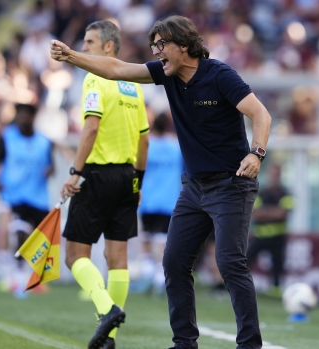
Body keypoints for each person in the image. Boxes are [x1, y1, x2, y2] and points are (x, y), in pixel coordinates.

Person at [51, 15, 272, 349]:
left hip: (232, 184)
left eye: (162, 45)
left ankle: (249, 345)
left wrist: (256, 153)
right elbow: (115, 69)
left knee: (229, 262)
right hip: (194, 188)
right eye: (154, 46)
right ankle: (184, 343)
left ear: (184, 45)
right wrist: (70, 56)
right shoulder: (164, 74)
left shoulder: (220, 75)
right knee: (173, 262)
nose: (156, 52)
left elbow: (261, 114)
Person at [60, 20, 149, 349]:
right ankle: (109, 339)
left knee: (74, 255)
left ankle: (106, 309)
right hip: (128, 177)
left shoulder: (95, 77)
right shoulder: (133, 85)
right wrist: (138, 183)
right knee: (117, 257)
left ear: (109, 47)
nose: (83, 48)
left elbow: (91, 129)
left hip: (97, 175)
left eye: (89, 42)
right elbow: (144, 142)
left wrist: (74, 171)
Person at [0, 103, 54, 296]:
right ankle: (13, 276)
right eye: (20, 115)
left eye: (26, 115)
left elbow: (52, 166)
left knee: (38, 241)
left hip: (38, 197)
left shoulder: (44, 141)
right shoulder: (7, 138)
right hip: (14, 195)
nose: (23, 119)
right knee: (17, 232)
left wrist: (49, 170)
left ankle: (31, 277)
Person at [138, 113, 182, 296]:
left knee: (147, 238)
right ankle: (158, 278)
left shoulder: (146, 145)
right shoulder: (177, 148)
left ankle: (147, 275)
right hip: (168, 200)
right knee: (162, 240)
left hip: (147, 200)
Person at [247, 164, 293, 297]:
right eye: (273, 173)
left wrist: (265, 212)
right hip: (259, 236)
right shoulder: (261, 192)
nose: (275, 176)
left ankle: (276, 291)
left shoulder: (286, 193)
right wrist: (273, 211)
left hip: (278, 237)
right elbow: (254, 213)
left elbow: (283, 214)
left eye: (277, 173)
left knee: (278, 266)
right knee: (245, 261)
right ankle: (235, 286)